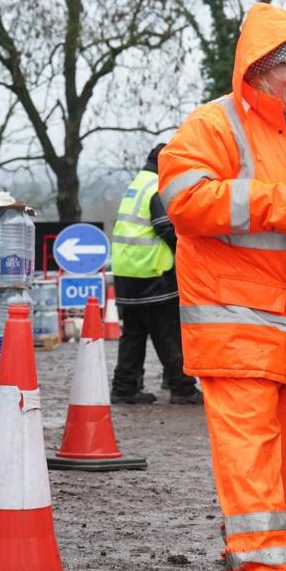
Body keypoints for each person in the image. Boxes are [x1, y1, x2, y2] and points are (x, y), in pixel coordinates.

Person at [157, 3, 286, 571]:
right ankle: (260, 569)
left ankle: (260, 550)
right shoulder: (214, 124)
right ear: (260, 66)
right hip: (235, 318)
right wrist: (280, 205)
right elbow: (184, 201)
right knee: (251, 443)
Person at [109, 143, 203, 406]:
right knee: (167, 331)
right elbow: (168, 229)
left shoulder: (138, 184)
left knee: (134, 333)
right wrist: (191, 256)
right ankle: (182, 387)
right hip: (153, 272)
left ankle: (124, 387)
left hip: (127, 271)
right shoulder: (158, 188)